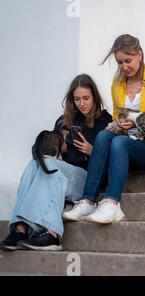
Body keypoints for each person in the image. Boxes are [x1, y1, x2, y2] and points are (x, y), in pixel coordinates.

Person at [62, 34, 145, 224]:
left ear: (139, 54)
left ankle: (112, 203)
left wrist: (138, 122)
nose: (124, 66)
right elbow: (119, 116)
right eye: (119, 62)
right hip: (130, 145)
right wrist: (117, 125)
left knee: (119, 143)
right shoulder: (117, 85)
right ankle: (88, 201)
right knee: (104, 135)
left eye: (128, 60)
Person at [0, 74, 112, 251]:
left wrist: (93, 151)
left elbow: (110, 161)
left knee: (50, 166)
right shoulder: (64, 121)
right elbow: (53, 150)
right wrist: (61, 149)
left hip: (87, 178)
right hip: (62, 177)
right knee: (35, 164)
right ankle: (20, 229)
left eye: (86, 98)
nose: (82, 103)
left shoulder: (105, 121)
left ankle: (52, 235)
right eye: (77, 99)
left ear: (95, 97)